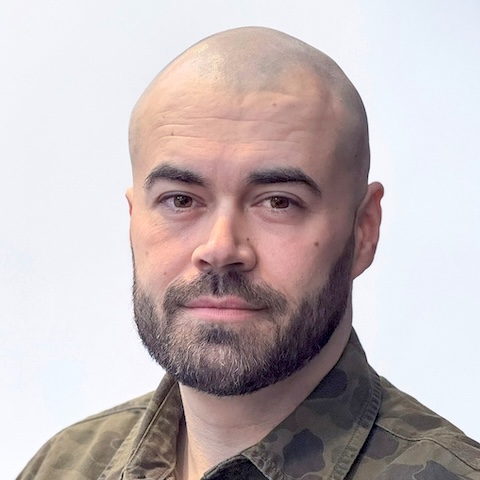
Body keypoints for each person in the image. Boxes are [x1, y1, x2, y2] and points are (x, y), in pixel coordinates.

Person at [18, 26, 480, 480]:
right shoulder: (63, 466)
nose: (220, 249)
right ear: (134, 219)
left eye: (278, 202)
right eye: (180, 199)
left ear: (363, 230)